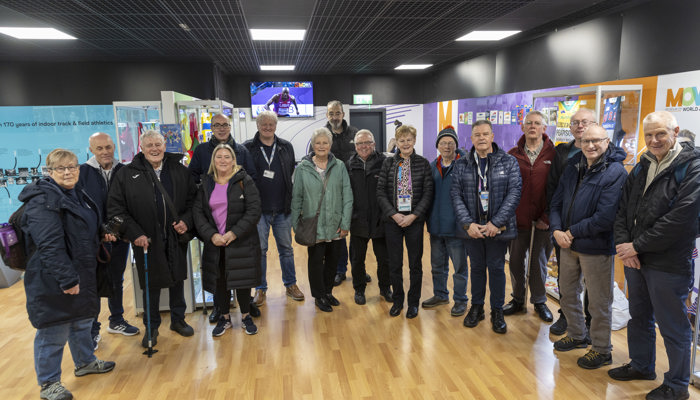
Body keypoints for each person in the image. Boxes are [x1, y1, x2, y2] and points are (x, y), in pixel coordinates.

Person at [610, 111, 700, 400]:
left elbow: (682, 220)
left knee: (673, 327)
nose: (654, 139)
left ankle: (676, 386)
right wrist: (626, 246)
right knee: (640, 317)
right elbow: (623, 208)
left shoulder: (693, 167)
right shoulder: (641, 165)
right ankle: (641, 365)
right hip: (636, 259)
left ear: (675, 131)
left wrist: (637, 246)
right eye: (649, 134)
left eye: (660, 133)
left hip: (668, 263)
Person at [20, 149, 115, 400]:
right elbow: (50, 245)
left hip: (82, 271)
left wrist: (101, 232)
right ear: (49, 172)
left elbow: (83, 225)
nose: (67, 172)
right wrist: (67, 279)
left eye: (72, 167)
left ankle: (85, 362)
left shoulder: (75, 193)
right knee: (54, 330)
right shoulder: (43, 201)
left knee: (82, 321)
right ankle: (49, 383)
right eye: (60, 168)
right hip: (53, 278)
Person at [108, 130, 197, 348]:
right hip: (146, 239)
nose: (154, 149)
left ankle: (178, 320)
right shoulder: (126, 174)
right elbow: (116, 209)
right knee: (150, 284)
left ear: (164, 145)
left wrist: (186, 221)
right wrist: (134, 233)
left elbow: (193, 202)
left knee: (177, 279)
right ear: (142, 147)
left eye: (158, 144)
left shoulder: (179, 170)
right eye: (149, 145)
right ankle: (152, 327)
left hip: (175, 237)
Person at [549, 124, 627, 369]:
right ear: (579, 143)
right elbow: (556, 202)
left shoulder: (616, 172)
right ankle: (577, 334)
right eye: (585, 141)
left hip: (596, 246)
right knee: (567, 292)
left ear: (607, 141)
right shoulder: (573, 167)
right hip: (566, 243)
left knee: (598, 301)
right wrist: (556, 230)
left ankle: (602, 349)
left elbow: (606, 216)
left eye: (596, 140)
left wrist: (571, 232)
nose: (590, 145)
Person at [451, 120, 521, 334]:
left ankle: (497, 311)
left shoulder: (508, 162)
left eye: (485, 134)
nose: (481, 138)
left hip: (497, 230)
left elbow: (514, 193)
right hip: (473, 229)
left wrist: (496, 223)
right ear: (471, 139)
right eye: (477, 135)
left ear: (492, 137)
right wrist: (467, 224)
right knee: (477, 269)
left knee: (497, 269)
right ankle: (477, 307)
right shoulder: (462, 164)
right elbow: (456, 195)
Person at [188, 112, 257, 321]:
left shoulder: (242, 151)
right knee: (218, 274)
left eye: (224, 124)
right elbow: (191, 180)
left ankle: (246, 308)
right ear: (212, 127)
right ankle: (221, 309)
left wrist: (236, 231)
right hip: (214, 231)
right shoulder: (201, 151)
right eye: (217, 125)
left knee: (242, 272)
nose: (221, 128)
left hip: (238, 231)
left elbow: (252, 187)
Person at [193, 144, 262, 336]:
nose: (223, 160)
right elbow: (198, 213)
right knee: (219, 281)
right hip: (216, 243)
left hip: (240, 241)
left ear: (234, 160)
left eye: (227, 157)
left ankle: (246, 316)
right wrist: (211, 235)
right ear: (213, 161)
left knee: (242, 280)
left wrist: (234, 233)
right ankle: (224, 318)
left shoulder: (244, 180)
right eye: (219, 157)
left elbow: (254, 210)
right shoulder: (206, 183)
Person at [79, 132, 139, 350]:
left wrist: (117, 230)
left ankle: (117, 320)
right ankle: (92, 330)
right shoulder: (82, 173)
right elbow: (82, 209)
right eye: (99, 148)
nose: (105, 152)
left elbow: (129, 203)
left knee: (116, 279)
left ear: (114, 146)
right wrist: (99, 232)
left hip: (119, 237)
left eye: (108, 147)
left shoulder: (124, 171)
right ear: (92, 150)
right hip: (93, 240)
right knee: (93, 283)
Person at [243, 110, 304, 307]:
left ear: (276, 126)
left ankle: (291, 284)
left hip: (283, 209)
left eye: (271, 124)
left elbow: (291, 175)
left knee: (286, 249)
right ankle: (260, 289)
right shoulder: (248, 148)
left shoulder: (286, 146)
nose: (268, 128)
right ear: (258, 126)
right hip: (258, 210)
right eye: (264, 124)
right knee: (260, 250)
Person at [547, 108, 597, 335]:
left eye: (585, 122)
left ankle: (588, 322)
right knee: (566, 279)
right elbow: (554, 190)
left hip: (593, 231)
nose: (579, 126)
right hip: (563, 231)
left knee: (593, 285)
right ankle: (566, 316)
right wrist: (556, 227)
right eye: (575, 122)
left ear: (595, 124)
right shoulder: (562, 153)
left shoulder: (607, 156)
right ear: (570, 127)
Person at [291, 127, 353, 312]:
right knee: (316, 262)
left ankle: (328, 292)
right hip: (314, 225)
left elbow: (347, 195)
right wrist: (296, 224)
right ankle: (318, 296)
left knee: (333, 261)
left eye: (325, 142)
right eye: (318, 143)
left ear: (330, 145)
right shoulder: (303, 168)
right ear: (313, 145)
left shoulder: (339, 166)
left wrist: (345, 223)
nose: (321, 146)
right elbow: (297, 198)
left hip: (335, 224)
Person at [377, 124, 433, 319]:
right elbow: (381, 192)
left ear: (414, 141)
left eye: (409, 140)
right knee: (394, 263)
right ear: (397, 143)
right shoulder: (389, 163)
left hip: (414, 221)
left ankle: (413, 303)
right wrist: (393, 214)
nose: (406, 143)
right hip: (393, 220)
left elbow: (428, 193)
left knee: (415, 264)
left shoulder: (423, 163)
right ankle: (398, 300)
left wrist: (413, 215)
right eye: (402, 140)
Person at [504, 111, 555, 322]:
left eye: (537, 123)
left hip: (543, 222)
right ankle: (517, 299)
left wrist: (547, 216)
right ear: (523, 127)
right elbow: (505, 187)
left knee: (538, 262)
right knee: (515, 261)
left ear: (544, 128)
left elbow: (558, 189)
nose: (532, 126)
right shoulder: (512, 154)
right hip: (517, 221)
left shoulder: (554, 155)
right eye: (529, 123)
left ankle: (539, 300)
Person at [423, 126, 469, 317]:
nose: (447, 146)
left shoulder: (466, 165)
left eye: (451, 143)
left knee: (459, 267)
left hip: (457, 227)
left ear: (456, 145)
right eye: (443, 143)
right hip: (436, 226)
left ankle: (460, 300)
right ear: (438, 146)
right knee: (437, 266)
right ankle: (440, 294)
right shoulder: (433, 166)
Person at [346, 129, 392, 305]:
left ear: (373, 144)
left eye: (367, 142)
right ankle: (359, 289)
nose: (363, 146)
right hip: (358, 220)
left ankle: (385, 288)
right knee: (357, 259)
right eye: (359, 143)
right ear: (355, 146)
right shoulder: (349, 164)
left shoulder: (385, 162)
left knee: (384, 259)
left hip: (381, 220)